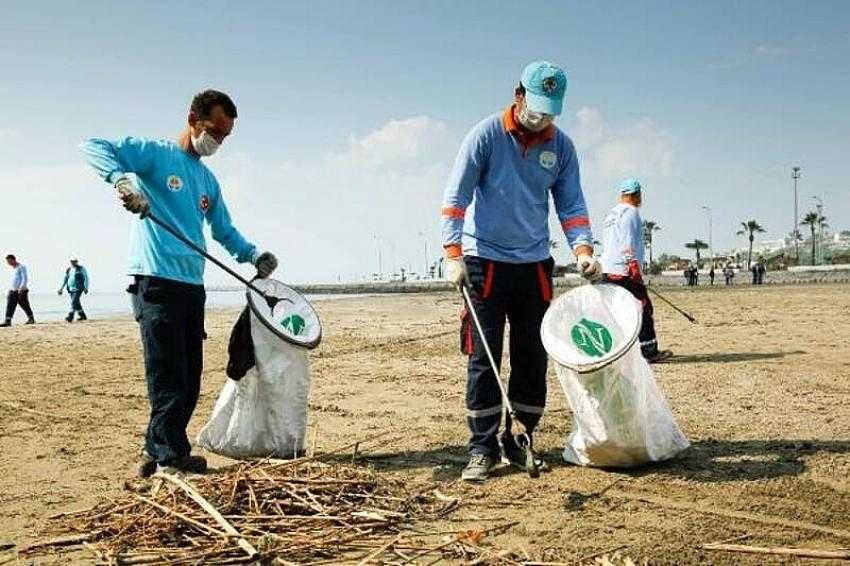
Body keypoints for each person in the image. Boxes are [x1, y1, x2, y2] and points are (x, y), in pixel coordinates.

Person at [81, 89, 279, 477]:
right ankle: (169, 457)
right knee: (167, 372)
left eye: (224, 137)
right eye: (213, 131)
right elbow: (93, 146)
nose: (217, 141)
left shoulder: (207, 180)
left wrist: (254, 255)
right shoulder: (157, 155)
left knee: (188, 378)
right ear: (193, 118)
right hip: (156, 282)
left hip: (192, 285)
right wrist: (124, 183)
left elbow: (224, 230)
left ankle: (159, 452)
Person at [441, 61, 600, 482]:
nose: (541, 117)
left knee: (532, 355)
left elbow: (572, 204)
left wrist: (583, 250)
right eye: (536, 107)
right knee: (484, 356)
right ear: (518, 95)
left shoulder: (561, 147)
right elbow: (456, 197)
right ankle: (482, 448)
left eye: (551, 111)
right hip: (484, 263)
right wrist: (452, 254)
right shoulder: (485, 136)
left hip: (534, 266)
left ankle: (521, 439)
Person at [600, 178, 672, 364]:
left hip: (608, 270)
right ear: (636, 194)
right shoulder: (632, 213)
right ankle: (649, 351)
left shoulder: (611, 214)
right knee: (643, 308)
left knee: (615, 312)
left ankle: (613, 353)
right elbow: (627, 240)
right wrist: (632, 267)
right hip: (624, 271)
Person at [1, 254, 35, 327]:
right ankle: (8, 320)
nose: (8, 263)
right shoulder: (13, 269)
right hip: (13, 290)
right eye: (7, 262)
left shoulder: (21, 267)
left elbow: (24, 278)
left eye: (9, 261)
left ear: (13, 260)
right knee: (10, 304)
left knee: (24, 304)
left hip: (20, 290)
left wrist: (21, 288)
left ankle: (31, 319)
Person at [58, 257, 90, 322]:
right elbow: (65, 279)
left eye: (74, 261)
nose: (73, 262)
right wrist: (61, 288)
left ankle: (70, 316)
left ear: (77, 262)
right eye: (72, 261)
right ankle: (82, 316)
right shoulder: (69, 269)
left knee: (74, 302)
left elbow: (86, 278)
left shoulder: (81, 269)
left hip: (79, 288)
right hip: (70, 289)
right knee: (76, 303)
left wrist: (86, 287)